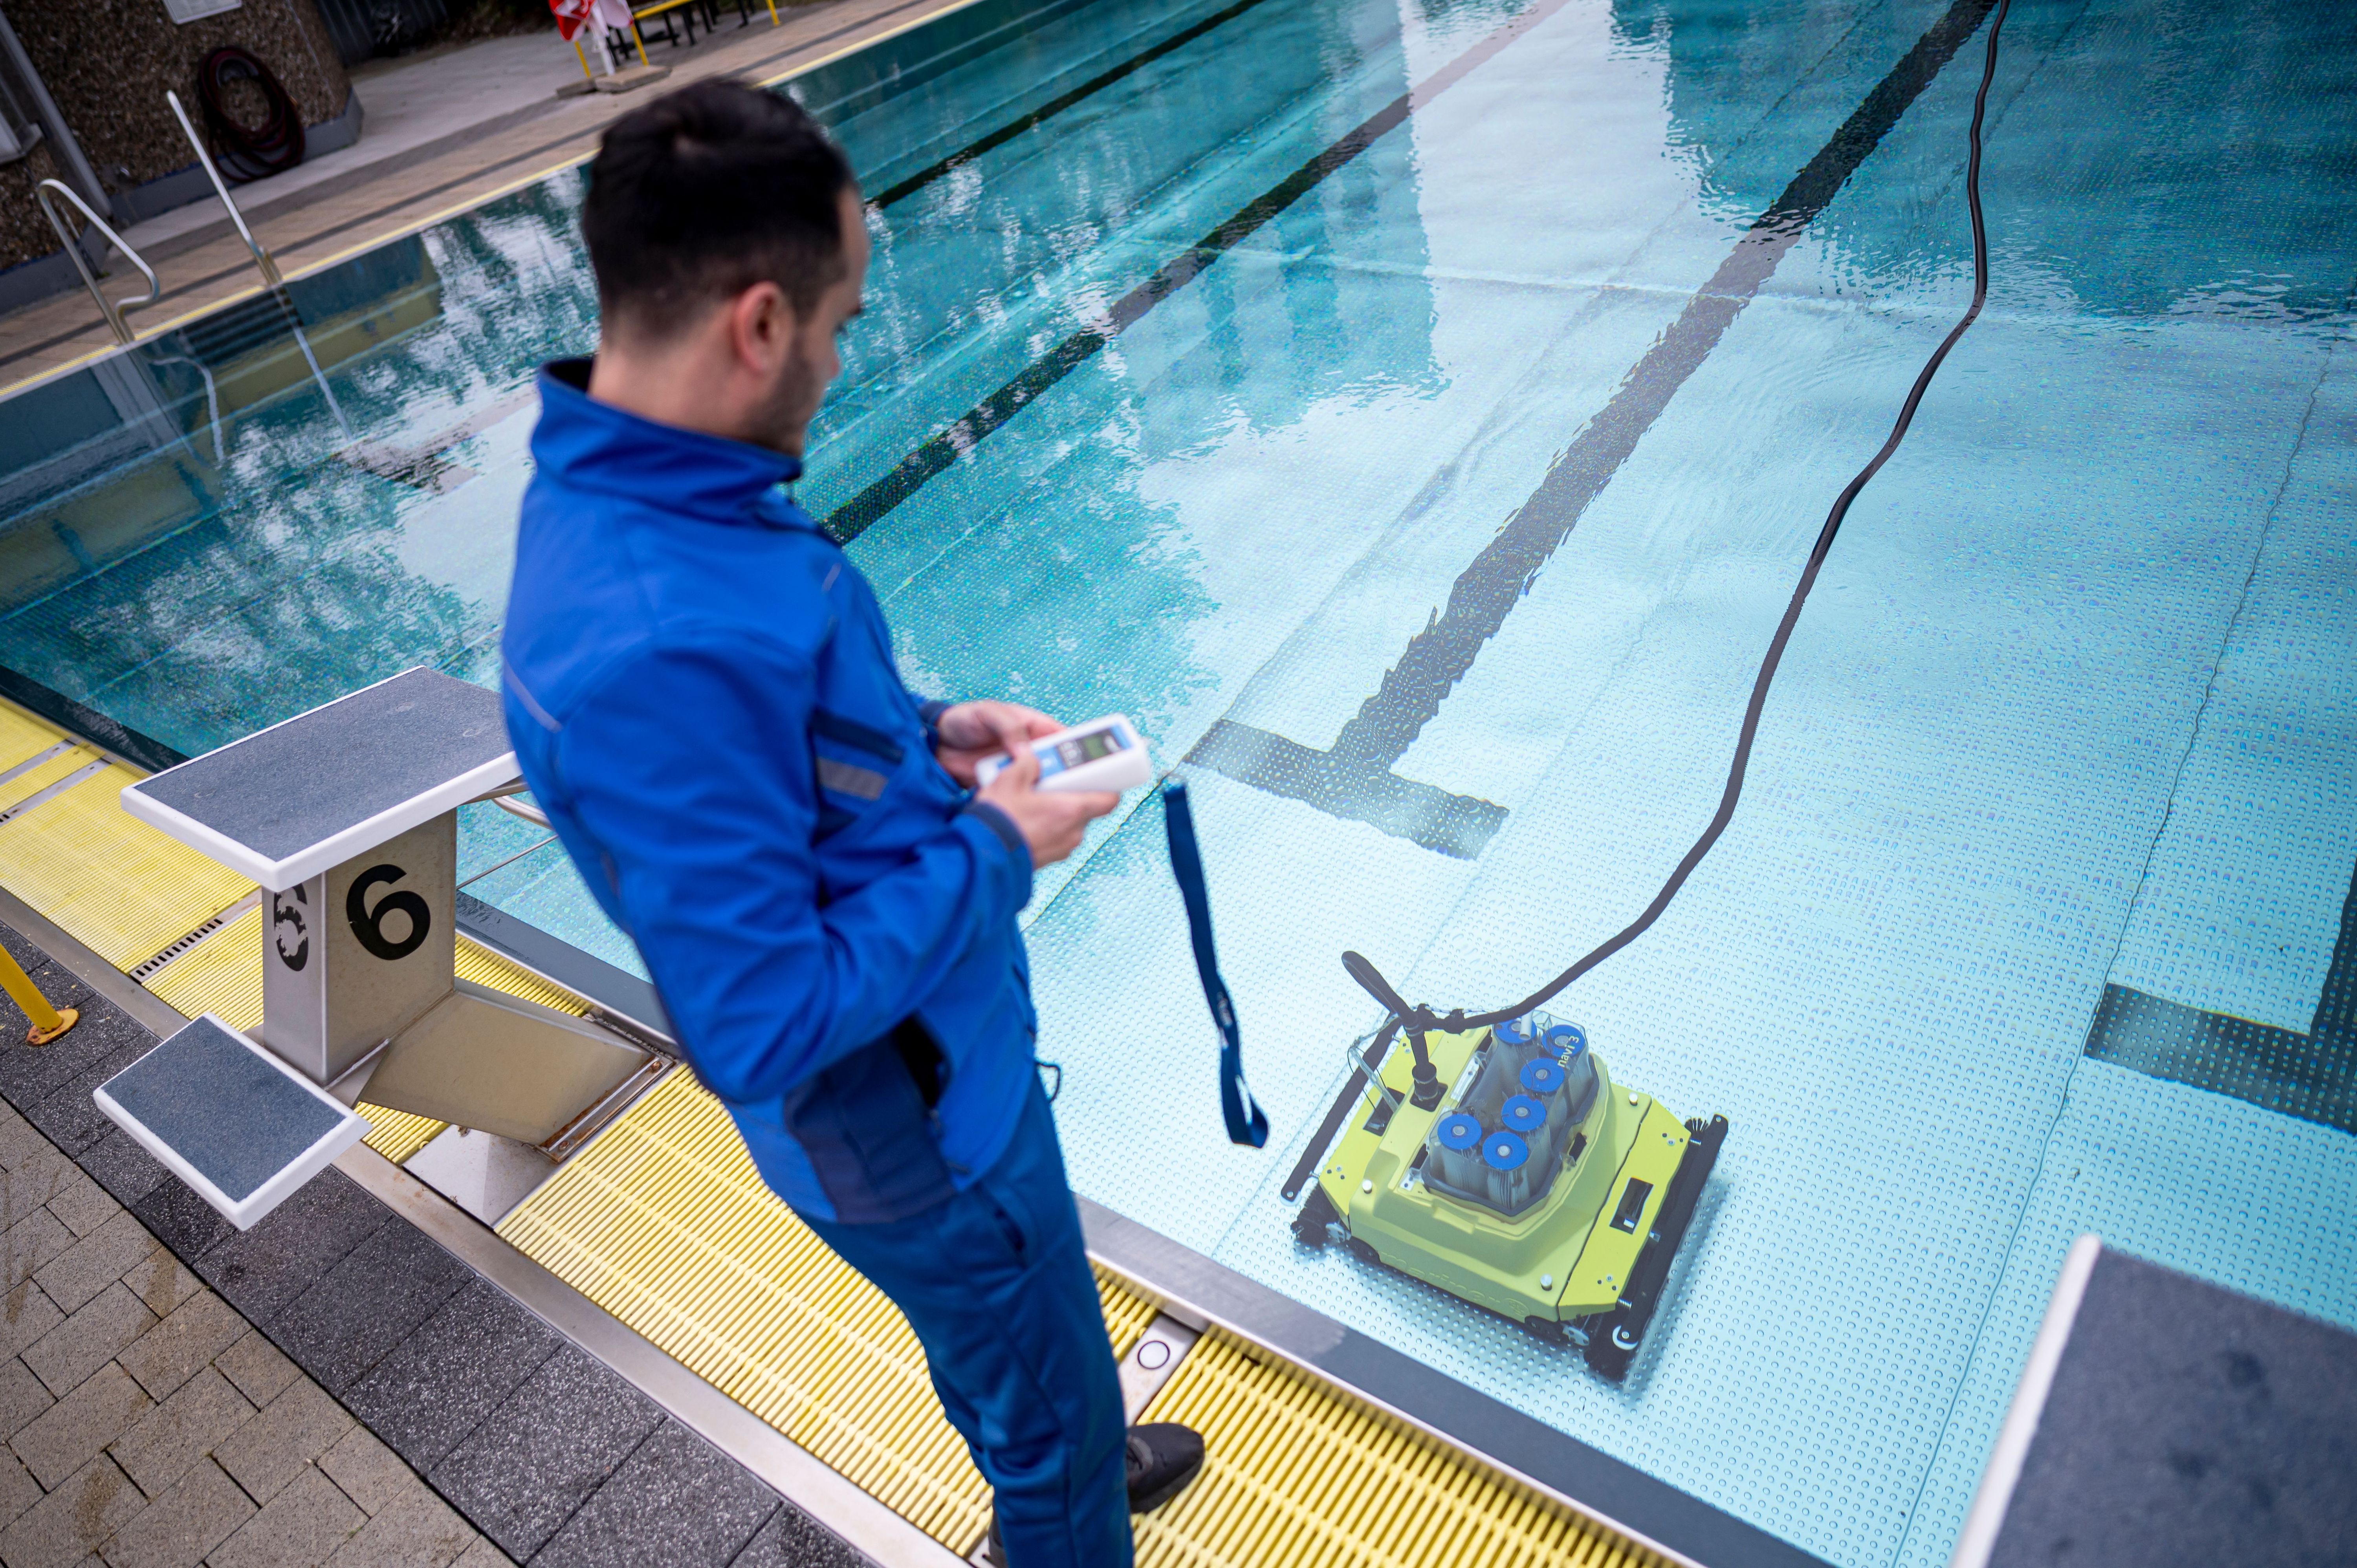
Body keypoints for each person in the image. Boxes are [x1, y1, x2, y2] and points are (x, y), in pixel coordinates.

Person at [498, 79, 1204, 1567]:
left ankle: (1054, 1413)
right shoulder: (644, 643)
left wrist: (933, 737)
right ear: (758, 324)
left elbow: (780, 755)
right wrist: (999, 846)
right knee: (1045, 1450)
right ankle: (1065, 1475)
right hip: (922, 1129)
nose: (839, 356)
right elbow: (759, 1021)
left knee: (1019, 1353)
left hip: (939, 1075)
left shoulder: (659, 490)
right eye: (839, 323)